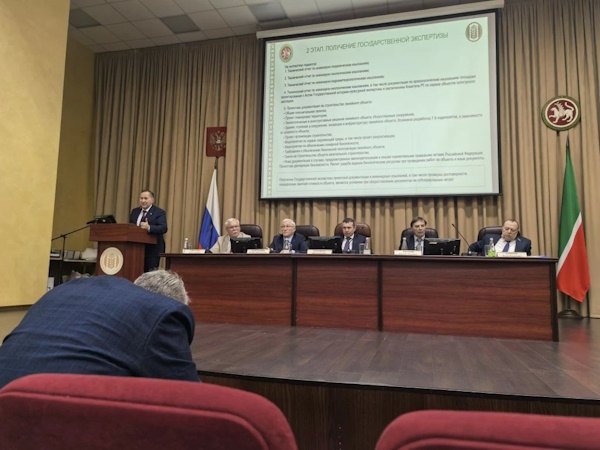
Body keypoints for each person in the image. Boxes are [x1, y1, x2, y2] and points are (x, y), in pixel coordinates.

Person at [0, 271, 199, 389]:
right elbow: (190, 398)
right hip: (55, 419)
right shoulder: (164, 311)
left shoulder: (67, 289)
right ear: (175, 302)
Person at [129, 189, 167, 272]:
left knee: (150, 273)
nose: (143, 201)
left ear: (152, 200)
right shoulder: (135, 212)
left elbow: (163, 228)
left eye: (145, 198)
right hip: (136, 248)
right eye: (141, 198)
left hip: (152, 250)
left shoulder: (159, 212)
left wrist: (149, 227)